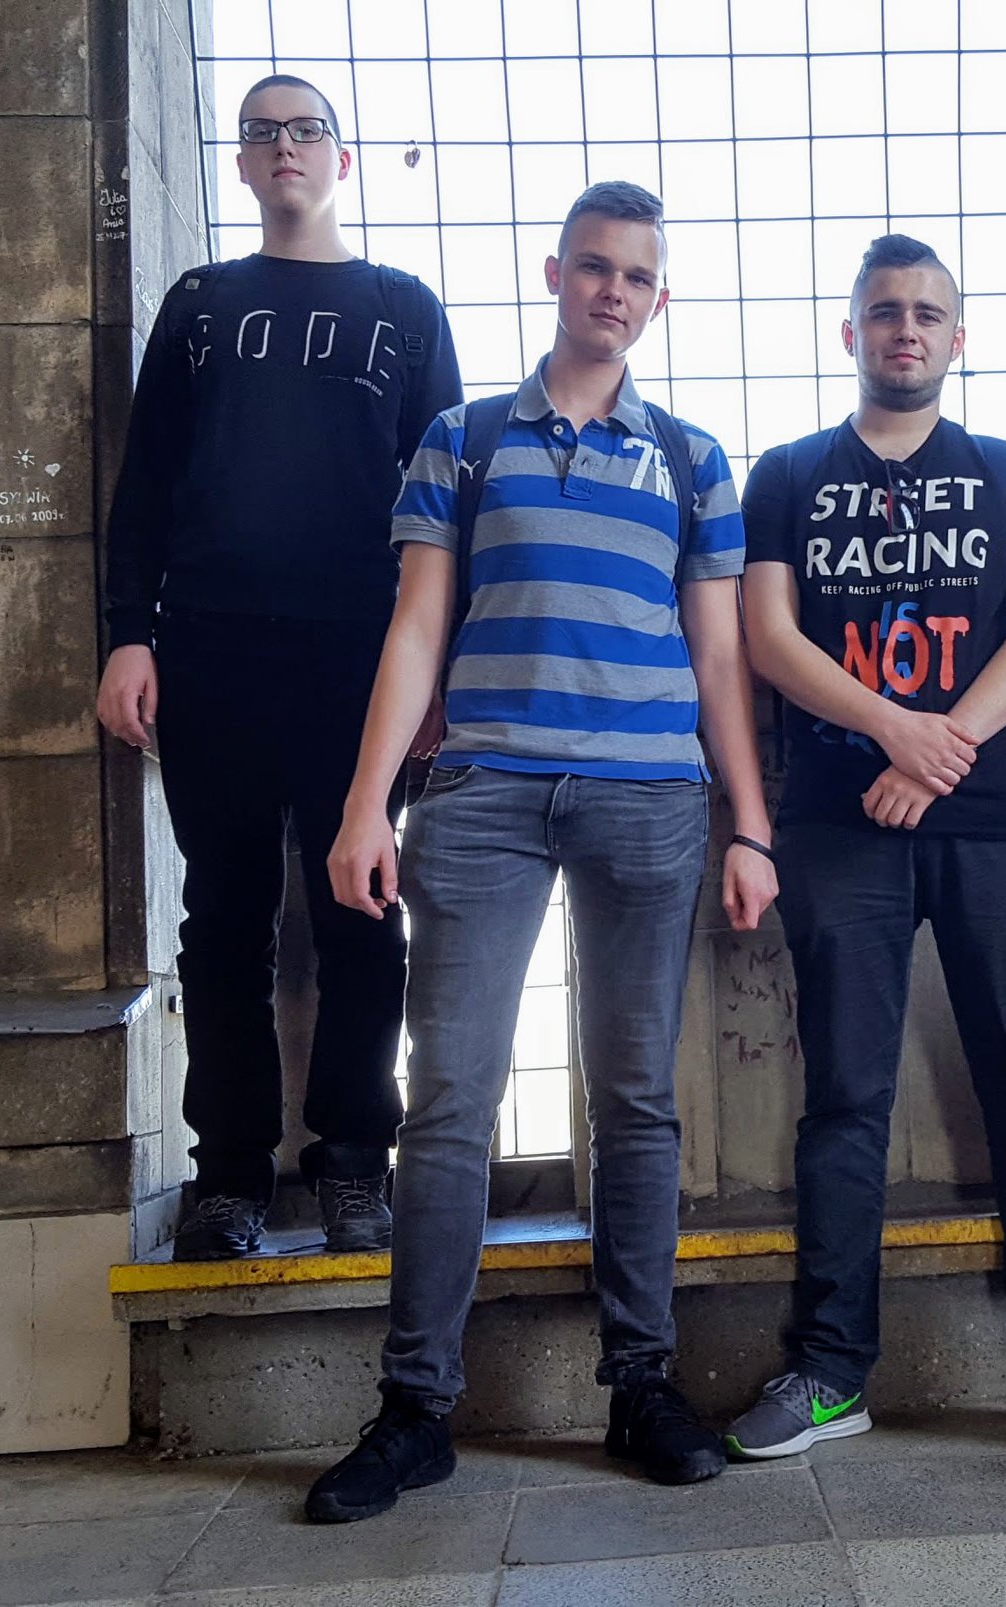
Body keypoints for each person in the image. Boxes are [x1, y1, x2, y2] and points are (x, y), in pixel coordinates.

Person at [303, 182, 778, 1523]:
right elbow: (414, 628)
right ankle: (415, 1407)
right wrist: (366, 804)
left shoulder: (691, 458)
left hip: (649, 799)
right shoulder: (461, 441)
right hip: (482, 794)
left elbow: (718, 656)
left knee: (634, 1099)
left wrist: (749, 823)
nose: (611, 290)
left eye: (636, 275)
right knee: (449, 1096)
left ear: (657, 300)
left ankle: (640, 1381)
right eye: (592, 267)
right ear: (554, 273)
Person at [723, 234, 1006, 1461]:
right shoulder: (787, 473)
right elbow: (768, 637)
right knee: (844, 1091)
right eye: (883, 310)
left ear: (958, 338)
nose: (904, 328)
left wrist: (935, 748)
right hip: (836, 820)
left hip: (992, 814)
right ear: (848, 332)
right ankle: (829, 1367)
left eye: (925, 312)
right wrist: (891, 730)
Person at [96, 75, 462, 1261]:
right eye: (262, 133)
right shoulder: (201, 304)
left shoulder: (403, 309)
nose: (284, 147)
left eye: (306, 130)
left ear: (340, 161)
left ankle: (354, 1167)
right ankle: (229, 1181)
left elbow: (445, 508)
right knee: (222, 919)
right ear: (244, 164)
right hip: (211, 650)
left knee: (361, 909)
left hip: (361, 660)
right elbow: (146, 482)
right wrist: (129, 632)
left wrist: (440, 672)